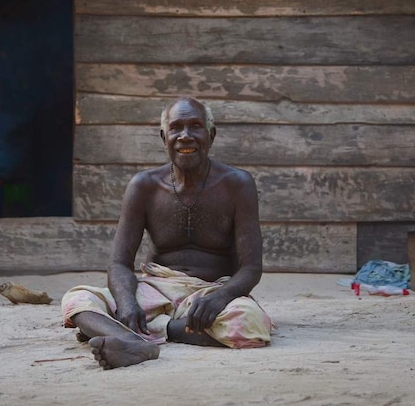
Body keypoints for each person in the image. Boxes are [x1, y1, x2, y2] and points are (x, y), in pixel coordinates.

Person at [61, 96, 273, 369]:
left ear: (211, 135)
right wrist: (126, 304)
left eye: (195, 126)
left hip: (210, 290)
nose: (185, 136)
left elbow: (251, 267)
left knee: (248, 322)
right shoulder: (144, 186)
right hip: (154, 289)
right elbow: (118, 262)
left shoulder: (237, 185)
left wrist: (220, 297)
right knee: (78, 298)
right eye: (176, 128)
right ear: (164, 137)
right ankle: (138, 342)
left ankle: (133, 335)